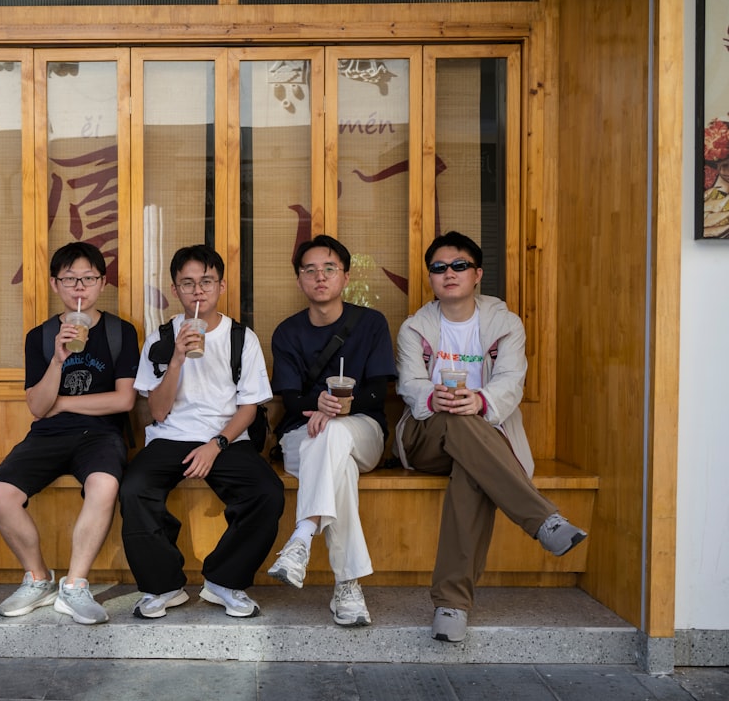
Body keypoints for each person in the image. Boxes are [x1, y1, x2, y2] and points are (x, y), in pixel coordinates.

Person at [394, 231, 588, 643]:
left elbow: (512, 382)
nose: (449, 273)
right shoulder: (415, 328)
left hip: (485, 438)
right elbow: (410, 385)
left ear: (478, 274)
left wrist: (480, 401)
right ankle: (543, 520)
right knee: (458, 421)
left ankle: (452, 605)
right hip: (426, 436)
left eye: (459, 265)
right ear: (430, 277)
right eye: (439, 267)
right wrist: (435, 397)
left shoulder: (505, 324)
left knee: (472, 467)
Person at [119, 245, 285, 619]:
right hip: (170, 436)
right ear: (175, 290)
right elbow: (157, 411)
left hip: (227, 437)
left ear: (221, 286)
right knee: (134, 490)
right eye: (188, 283)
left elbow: (249, 408)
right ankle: (163, 586)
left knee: (267, 492)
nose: (198, 291)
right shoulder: (161, 339)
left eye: (207, 281)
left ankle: (225, 581)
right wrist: (176, 358)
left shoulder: (241, 337)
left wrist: (217, 444)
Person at [0, 242, 139, 625]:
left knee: (104, 484)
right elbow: (39, 408)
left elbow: (123, 400)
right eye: (70, 279)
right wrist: (57, 360)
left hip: (101, 434)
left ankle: (74, 586)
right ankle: (38, 578)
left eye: (88, 278)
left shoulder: (120, 332)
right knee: (0, 493)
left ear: (102, 282)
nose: (79, 287)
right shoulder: (40, 336)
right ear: (55, 284)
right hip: (49, 434)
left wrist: (66, 403)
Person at [267, 235, 397, 627]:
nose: (319, 277)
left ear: (346, 276)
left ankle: (302, 536)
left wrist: (343, 407)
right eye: (310, 270)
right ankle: (347, 586)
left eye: (329, 269)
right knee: (337, 461)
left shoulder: (370, 324)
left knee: (336, 434)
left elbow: (379, 391)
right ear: (299, 279)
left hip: (363, 433)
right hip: (302, 437)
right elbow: (291, 400)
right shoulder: (287, 332)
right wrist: (320, 404)